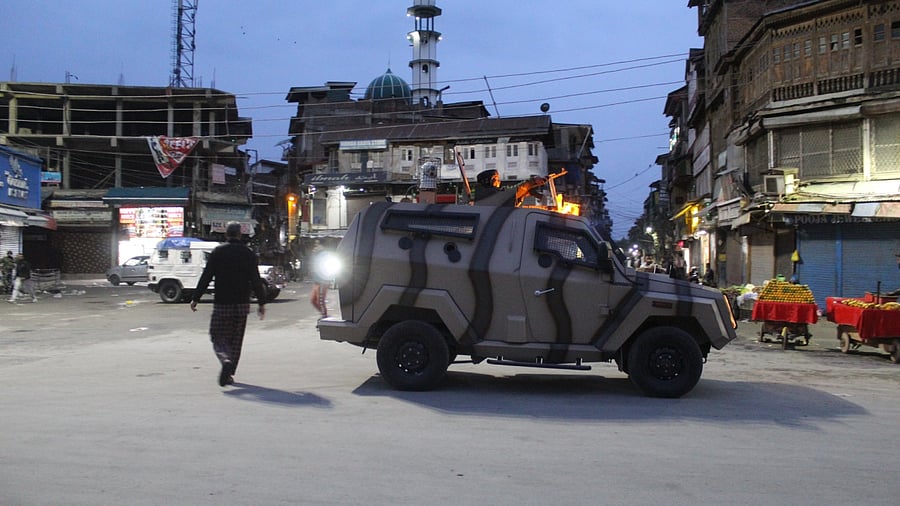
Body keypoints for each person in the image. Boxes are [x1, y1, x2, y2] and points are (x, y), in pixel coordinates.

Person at [190, 222, 267, 387]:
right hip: (242, 304)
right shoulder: (248, 253)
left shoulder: (218, 252)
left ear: (226, 234)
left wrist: (196, 297)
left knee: (217, 335)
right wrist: (261, 303)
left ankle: (225, 359)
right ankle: (229, 373)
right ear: (240, 235)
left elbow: (206, 276)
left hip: (222, 303)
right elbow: (256, 280)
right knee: (236, 340)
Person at [473, 169, 546, 207]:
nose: (499, 182)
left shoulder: (484, 194)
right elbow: (512, 192)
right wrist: (533, 181)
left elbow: (507, 205)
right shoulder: (488, 193)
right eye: (496, 179)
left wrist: (522, 196)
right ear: (489, 181)